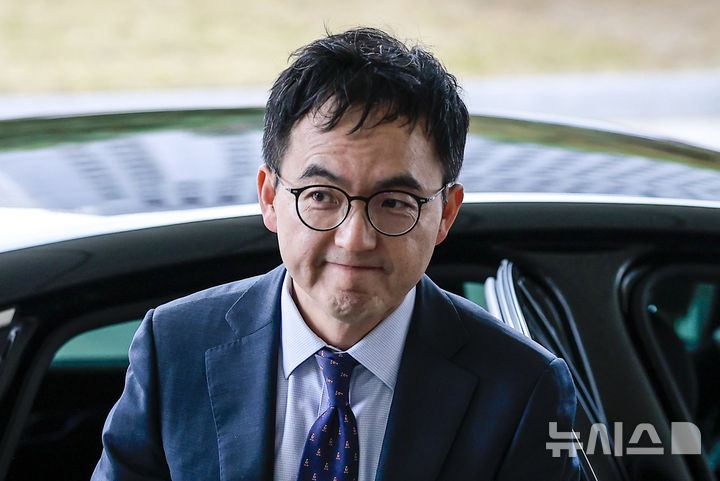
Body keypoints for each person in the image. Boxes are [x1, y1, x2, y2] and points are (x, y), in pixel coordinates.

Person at [92, 27, 580, 481]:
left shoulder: (522, 388)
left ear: (446, 213)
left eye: (394, 202)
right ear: (269, 198)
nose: (354, 239)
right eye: (321, 196)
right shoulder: (174, 348)